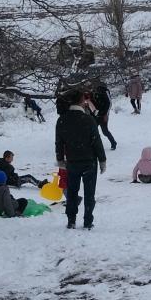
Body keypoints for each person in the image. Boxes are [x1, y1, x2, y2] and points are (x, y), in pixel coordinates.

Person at [55, 90, 106, 230]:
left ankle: (71, 220)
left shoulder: (62, 120)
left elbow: (59, 142)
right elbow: (97, 141)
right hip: (89, 161)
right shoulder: (88, 119)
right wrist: (102, 160)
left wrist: (60, 159)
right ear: (81, 101)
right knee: (89, 193)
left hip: (71, 161)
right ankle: (88, 221)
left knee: (72, 192)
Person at [92, 81, 117, 150]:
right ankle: (95, 145)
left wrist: (106, 114)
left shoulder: (105, 90)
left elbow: (109, 103)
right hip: (95, 114)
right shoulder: (93, 91)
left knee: (105, 131)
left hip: (103, 115)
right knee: (93, 131)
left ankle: (113, 143)